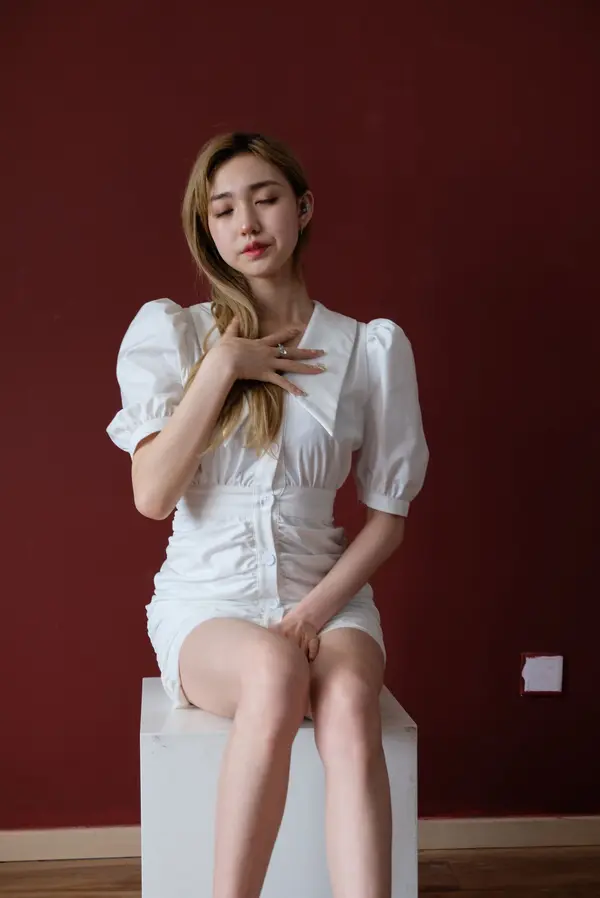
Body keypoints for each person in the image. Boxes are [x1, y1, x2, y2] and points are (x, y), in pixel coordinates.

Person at [106, 131, 429, 898]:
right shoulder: (178, 335)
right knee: (276, 668)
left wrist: (314, 611)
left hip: (328, 598)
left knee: (348, 704)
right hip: (207, 603)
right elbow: (152, 497)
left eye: (265, 199)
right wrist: (224, 365)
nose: (246, 223)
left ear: (303, 208)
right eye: (223, 210)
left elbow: (387, 518)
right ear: (207, 228)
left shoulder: (367, 349)